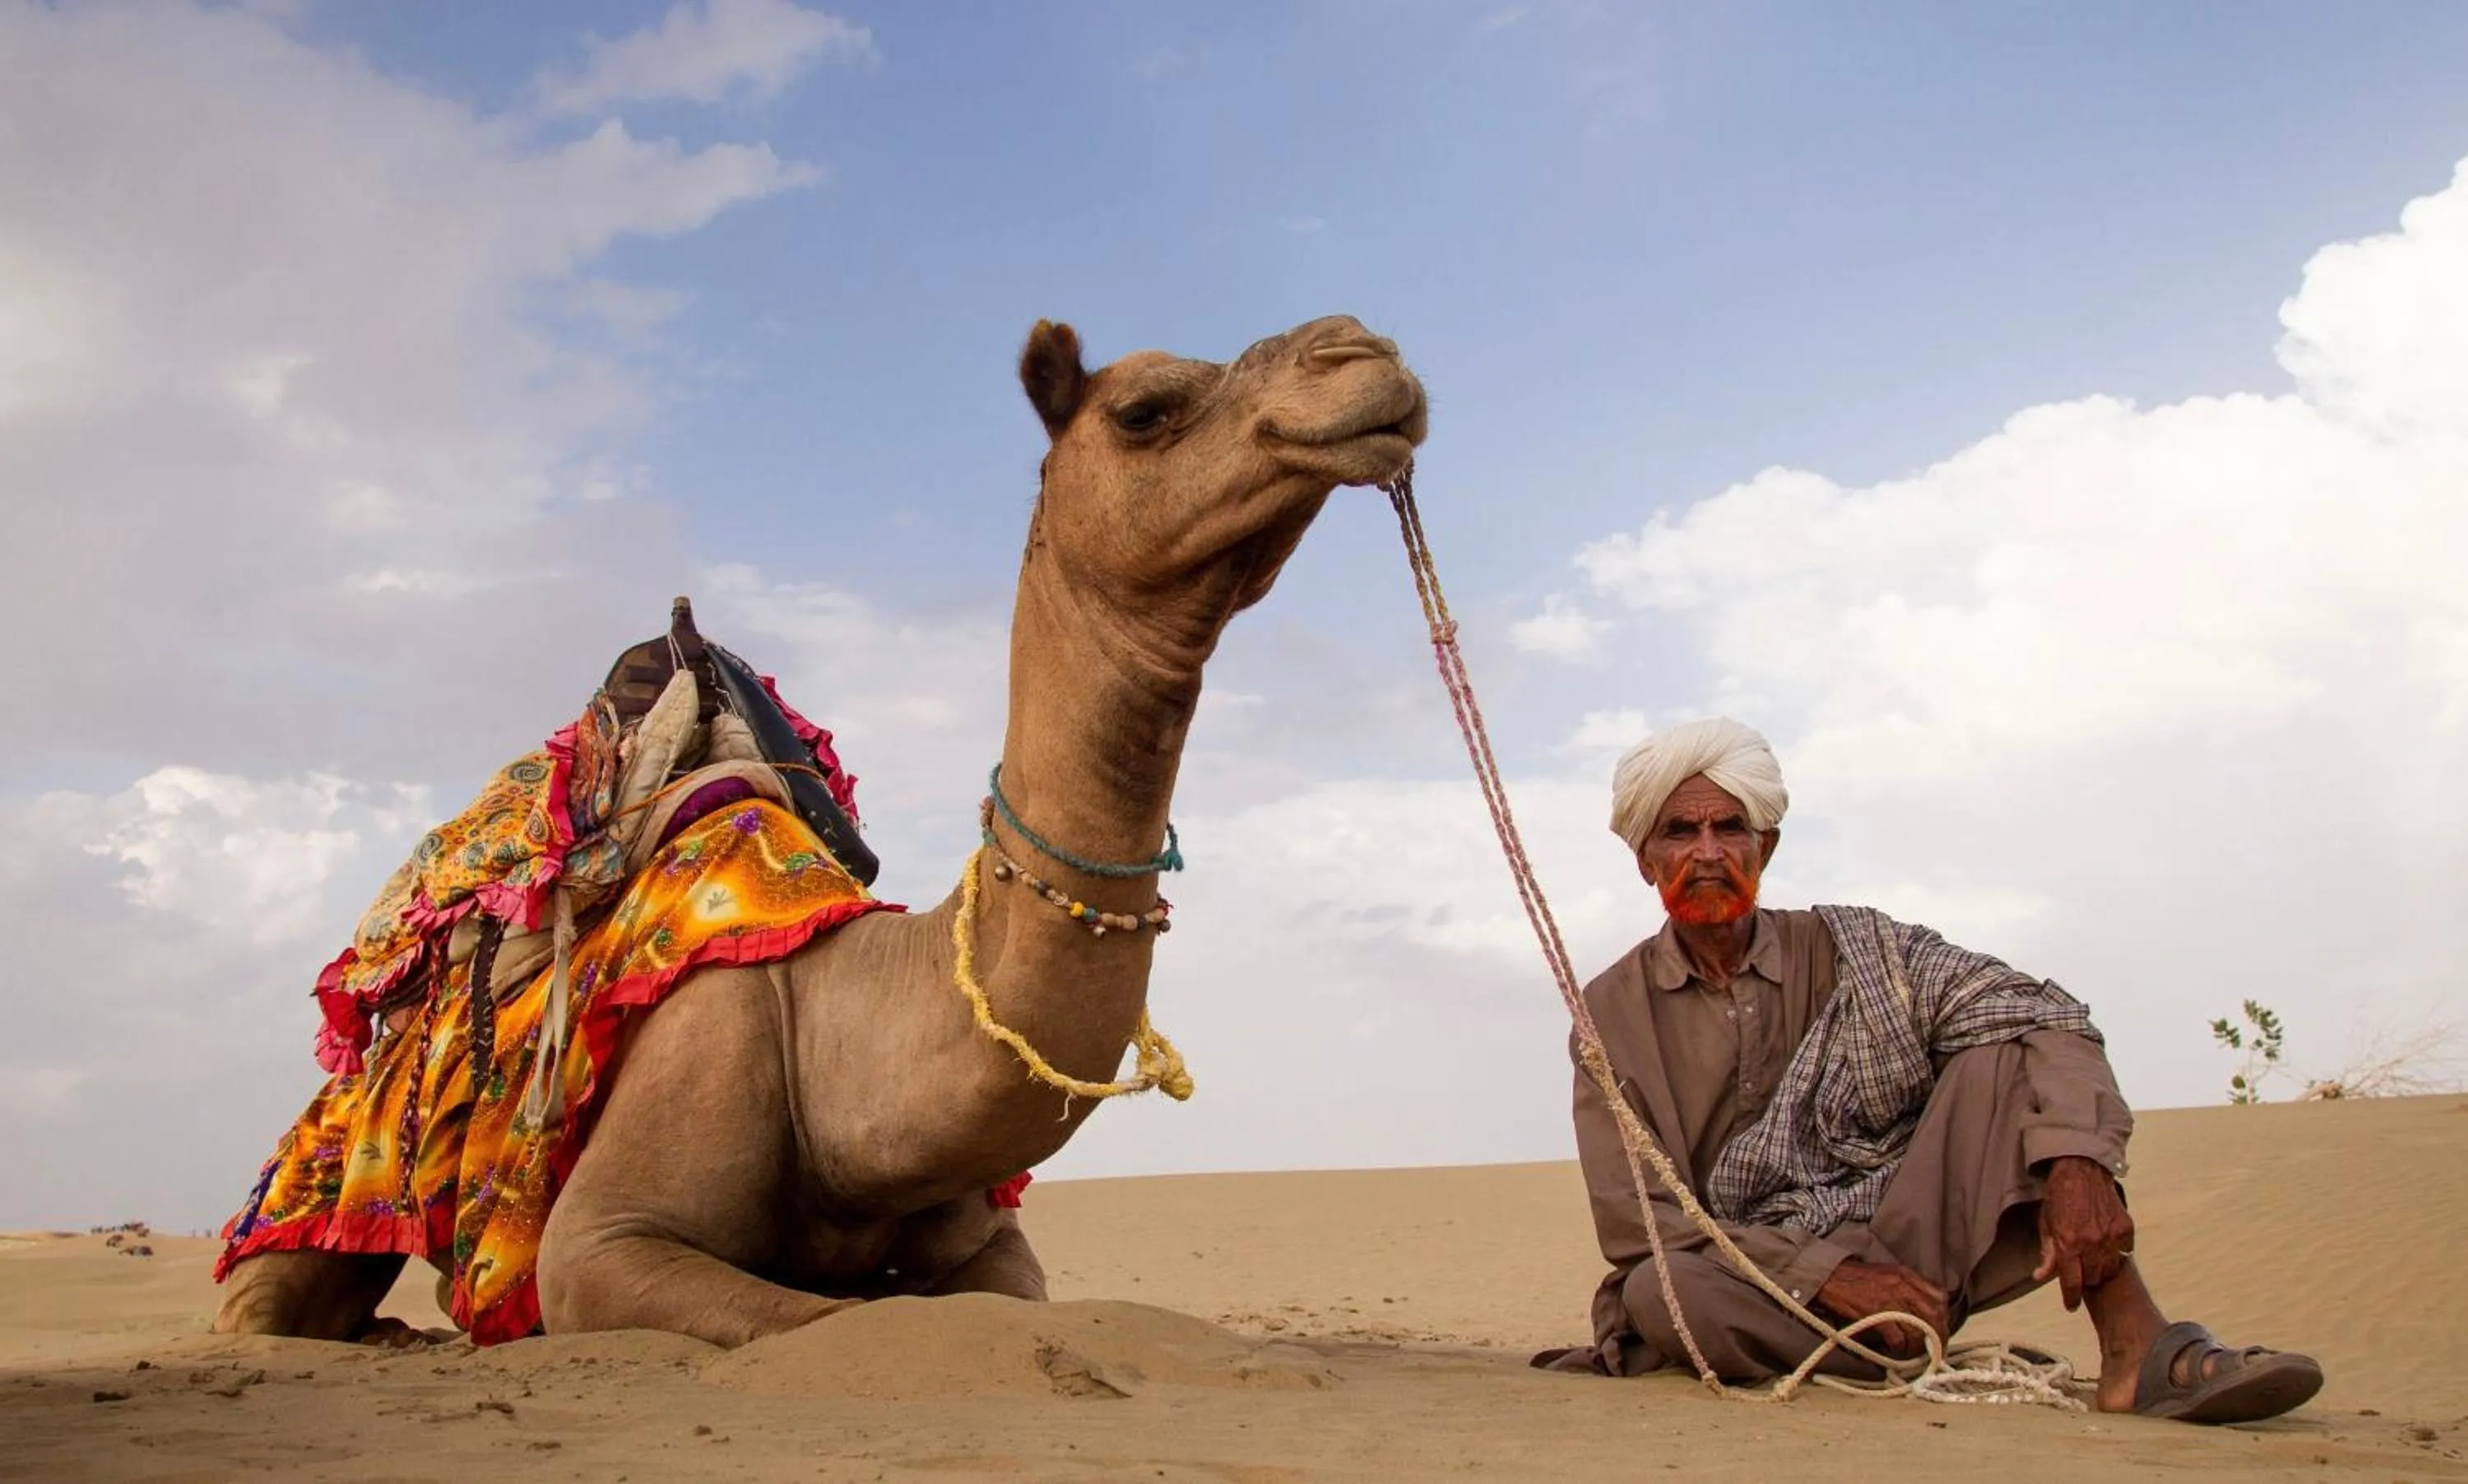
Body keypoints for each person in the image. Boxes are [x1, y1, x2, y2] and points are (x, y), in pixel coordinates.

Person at [1537, 717, 2323, 1425]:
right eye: (1681, 831)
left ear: (1765, 845)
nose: (1707, 852)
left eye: (1729, 827)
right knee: (1660, 1291)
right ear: (1646, 858)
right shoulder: (1610, 1015)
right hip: (1759, 1278)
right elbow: (1643, 1225)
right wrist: (1830, 1275)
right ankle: (1888, 1348)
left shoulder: (1863, 949)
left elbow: (2041, 1013)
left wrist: (2081, 1162)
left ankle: (2135, 1348)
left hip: (1913, 1240)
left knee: (2010, 1049)